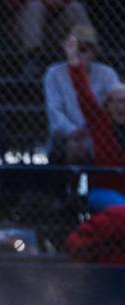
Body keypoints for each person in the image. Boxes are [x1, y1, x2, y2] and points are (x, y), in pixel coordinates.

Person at [44, 24, 120, 165]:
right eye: (75, 48)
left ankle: (97, 184)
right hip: (66, 135)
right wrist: (72, 132)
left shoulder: (107, 74)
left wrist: (93, 134)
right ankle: (68, 187)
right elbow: (54, 110)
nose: (79, 53)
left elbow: (115, 107)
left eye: (84, 49)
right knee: (69, 148)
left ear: (93, 51)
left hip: (100, 134)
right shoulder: (54, 73)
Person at [67, 35, 125, 212]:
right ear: (107, 105)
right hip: (104, 192)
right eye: (115, 101)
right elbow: (84, 95)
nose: (120, 106)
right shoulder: (101, 123)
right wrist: (74, 62)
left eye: (124, 101)